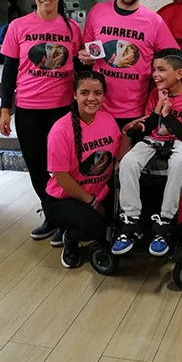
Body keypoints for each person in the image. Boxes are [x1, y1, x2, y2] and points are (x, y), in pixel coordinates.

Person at [0, 0, 82, 244]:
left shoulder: (72, 29)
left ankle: (66, 218)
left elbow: (80, 68)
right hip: (28, 111)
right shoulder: (18, 27)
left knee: (63, 168)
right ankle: (52, 215)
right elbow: (10, 71)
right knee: (36, 167)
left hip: (63, 110)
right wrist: (5, 109)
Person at [78, 0, 182, 130]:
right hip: (98, 107)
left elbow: (174, 58)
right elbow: (86, 52)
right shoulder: (96, 13)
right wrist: (84, 58)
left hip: (137, 112)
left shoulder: (154, 22)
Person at [112, 49, 182, 257]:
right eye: (154, 69)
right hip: (154, 140)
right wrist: (158, 107)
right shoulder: (155, 94)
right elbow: (148, 128)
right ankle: (131, 219)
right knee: (128, 161)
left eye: (161, 70)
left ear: (179, 74)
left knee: (179, 161)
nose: (155, 74)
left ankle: (165, 220)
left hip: (180, 142)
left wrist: (167, 116)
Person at [44, 71, 122, 268]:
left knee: (122, 220)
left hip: (99, 193)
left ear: (104, 96)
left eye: (98, 93)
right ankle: (70, 239)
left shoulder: (108, 120)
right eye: (85, 92)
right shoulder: (60, 129)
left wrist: (128, 133)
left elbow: (118, 155)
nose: (91, 98)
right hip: (64, 199)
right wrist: (92, 202)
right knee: (93, 226)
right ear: (75, 95)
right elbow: (61, 177)